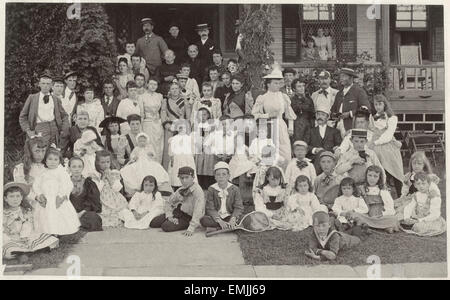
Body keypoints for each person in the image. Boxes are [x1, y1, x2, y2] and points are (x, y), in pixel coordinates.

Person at [252, 68, 297, 168]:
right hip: (267, 126)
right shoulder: (262, 98)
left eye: (279, 83)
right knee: (268, 151)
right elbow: (254, 114)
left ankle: (284, 177)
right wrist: (267, 115)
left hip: (280, 125)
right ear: (268, 84)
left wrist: (291, 127)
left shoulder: (283, 96)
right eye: (275, 83)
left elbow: (290, 114)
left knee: (284, 151)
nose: (278, 85)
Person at [3, 182, 59, 260]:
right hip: (10, 237)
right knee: (8, 247)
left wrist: (24, 236)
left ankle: (27, 252)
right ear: (5, 199)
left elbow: (27, 224)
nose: (15, 199)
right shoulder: (4, 213)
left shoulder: (25, 211)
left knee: (51, 240)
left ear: (22, 197)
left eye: (18, 196)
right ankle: (22, 252)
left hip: (25, 236)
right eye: (11, 196)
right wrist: (7, 237)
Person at [32, 146, 81, 235]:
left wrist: (61, 195)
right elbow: (36, 185)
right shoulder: (42, 172)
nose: (53, 162)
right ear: (45, 160)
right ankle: (47, 232)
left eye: (55, 159)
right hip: (46, 199)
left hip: (57, 198)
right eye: (50, 159)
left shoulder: (61, 172)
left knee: (58, 215)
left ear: (59, 161)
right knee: (45, 215)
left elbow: (67, 184)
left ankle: (56, 232)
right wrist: (39, 195)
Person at [19, 71, 70, 147]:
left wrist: (64, 130)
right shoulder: (32, 98)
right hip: (39, 129)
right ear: (39, 84)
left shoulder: (55, 99)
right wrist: (28, 131)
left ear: (51, 85)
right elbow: (22, 117)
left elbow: (65, 116)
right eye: (43, 83)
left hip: (54, 129)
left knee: (53, 153)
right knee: (40, 153)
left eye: (48, 84)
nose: (45, 86)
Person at [150, 166, 205, 236]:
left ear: (193, 177)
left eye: (187, 177)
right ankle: (172, 220)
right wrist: (170, 216)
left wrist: (191, 228)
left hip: (188, 217)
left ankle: (177, 223)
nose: (184, 180)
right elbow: (168, 202)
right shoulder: (181, 189)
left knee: (166, 226)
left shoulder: (198, 191)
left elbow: (198, 211)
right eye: (182, 178)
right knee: (153, 223)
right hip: (178, 212)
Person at [368, 94, 404, 197]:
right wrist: (371, 143)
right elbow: (371, 131)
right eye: (375, 104)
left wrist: (376, 142)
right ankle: (380, 195)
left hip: (387, 144)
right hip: (374, 145)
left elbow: (388, 135)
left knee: (394, 169)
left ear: (385, 104)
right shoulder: (372, 117)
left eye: (380, 104)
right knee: (378, 170)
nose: (378, 107)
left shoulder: (392, 118)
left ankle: (400, 194)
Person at [120, 132, 171, 197]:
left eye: (143, 141)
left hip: (148, 161)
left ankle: (152, 185)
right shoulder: (136, 148)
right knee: (134, 170)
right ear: (137, 142)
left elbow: (154, 155)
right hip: (139, 162)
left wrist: (151, 154)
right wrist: (134, 157)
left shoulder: (149, 147)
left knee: (154, 168)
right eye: (140, 141)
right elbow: (132, 155)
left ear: (146, 141)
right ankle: (140, 186)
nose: (142, 143)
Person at [350, 165, 399, 233]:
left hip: (380, 216)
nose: (372, 178)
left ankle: (378, 225)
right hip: (367, 214)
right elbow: (359, 203)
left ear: (379, 178)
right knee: (354, 215)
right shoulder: (362, 188)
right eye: (369, 175)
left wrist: (384, 214)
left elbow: (389, 205)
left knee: (393, 219)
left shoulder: (382, 190)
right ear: (366, 176)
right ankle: (377, 226)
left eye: (375, 176)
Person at [395, 152, 441, 220]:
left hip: (421, 199)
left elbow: (432, 188)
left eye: (419, 164)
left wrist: (432, 193)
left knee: (415, 212)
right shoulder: (409, 176)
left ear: (424, 165)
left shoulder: (427, 176)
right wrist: (403, 196)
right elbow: (405, 190)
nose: (416, 166)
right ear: (411, 164)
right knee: (399, 210)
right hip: (410, 198)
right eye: (414, 163)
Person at [200, 161, 244, 232]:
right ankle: (229, 227)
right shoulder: (212, 189)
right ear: (215, 177)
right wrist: (219, 221)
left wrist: (233, 219)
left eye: (224, 174)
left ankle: (218, 228)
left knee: (243, 218)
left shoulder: (235, 189)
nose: (221, 177)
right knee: (203, 220)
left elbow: (238, 207)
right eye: (218, 175)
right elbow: (210, 208)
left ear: (229, 176)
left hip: (229, 216)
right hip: (217, 217)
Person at [402, 172, 446, 236]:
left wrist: (419, 220)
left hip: (431, 219)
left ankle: (418, 225)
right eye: (418, 184)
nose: (421, 186)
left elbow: (435, 214)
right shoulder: (416, 195)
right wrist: (407, 218)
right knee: (403, 222)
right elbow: (409, 207)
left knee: (419, 227)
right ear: (415, 185)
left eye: (423, 183)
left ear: (428, 184)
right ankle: (411, 224)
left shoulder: (433, 196)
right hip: (419, 218)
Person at [91, 150, 128, 227]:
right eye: (103, 162)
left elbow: (117, 188)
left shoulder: (114, 173)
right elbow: (97, 190)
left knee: (121, 212)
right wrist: (103, 179)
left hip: (114, 197)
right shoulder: (95, 174)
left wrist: (110, 178)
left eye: (108, 162)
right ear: (97, 163)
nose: (106, 165)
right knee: (103, 213)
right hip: (101, 198)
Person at [68, 157, 103, 232]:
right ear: (69, 168)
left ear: (83, 168)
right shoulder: (64, 182)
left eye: (79, 166)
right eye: (74, 166)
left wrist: (81, 213)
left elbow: (92, 201)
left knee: (94, 219)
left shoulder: (89, 183)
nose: (77, 169)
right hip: (68, 211)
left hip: (83, 212)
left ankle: (75, 224)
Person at [331, 68, 371, 133]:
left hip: (351, 127)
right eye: (340, 76)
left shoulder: (359, 91)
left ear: (351, 78)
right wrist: (334, 115)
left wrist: (350, 114)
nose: (341, 78)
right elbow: (333, 109)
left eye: (343, 76)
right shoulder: (339, 93)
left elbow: (366, 109)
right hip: (337, 127)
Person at [306, 103, 342, 173]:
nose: (320, 117)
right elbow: (305, 146)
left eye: (323, 115)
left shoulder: (335, 131)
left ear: (327, 117)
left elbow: (339, 145)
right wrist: (315, 149)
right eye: (318, 114)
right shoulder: (310, 131)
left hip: (330, 159)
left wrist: (336, 148)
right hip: (314, 159)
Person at [139, 77, 165, 164]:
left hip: (158, 123)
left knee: (159, 146)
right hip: (147, 123)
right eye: (151, 84)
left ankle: (158, 165)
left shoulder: (160, 96)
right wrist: (141, 127)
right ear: (147, 84)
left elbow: (162, 111)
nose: (153, 86)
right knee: (149, 144)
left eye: (155, 84)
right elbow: (141, 113)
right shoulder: (142, 96)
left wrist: (161, 121)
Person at [167, 120, 197, 190]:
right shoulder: (174, 138)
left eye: (184, 127)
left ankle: (189, 184)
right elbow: (171, 149)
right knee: (176, 169)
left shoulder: (189, 138)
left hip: (187, 157)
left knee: (188, 168)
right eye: (180, 128)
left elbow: (192, 149)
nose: (182, 129)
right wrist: (171, 157)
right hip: (177, 157)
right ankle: (177, 184)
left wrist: (192, 155)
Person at [192, 107, 217, 189]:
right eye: (200, 115)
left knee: (208, 164)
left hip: (208, 147)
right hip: (199, 147)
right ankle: (200, 183)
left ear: (208, 115)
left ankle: (208, 183)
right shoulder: (196, 125)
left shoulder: (212, 125)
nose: (202, 117)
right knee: (199, 164)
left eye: (204, 115)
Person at [290, 77, 314, 143]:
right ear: (294, 89)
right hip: (296, 126)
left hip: (307, 126)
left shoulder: (309, 100)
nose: (302, 88)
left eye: (303, 86)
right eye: (299, 86)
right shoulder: (290, 101)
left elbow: (312, 114)